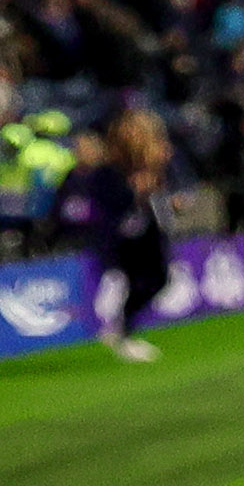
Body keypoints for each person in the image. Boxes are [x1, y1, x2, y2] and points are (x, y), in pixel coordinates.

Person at [74, 108, 177, 362]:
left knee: (157, 279)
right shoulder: (108, 171)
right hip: (119, 239)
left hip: (146, 234)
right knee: (130, 280)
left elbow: (155, 199)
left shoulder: (150, 167)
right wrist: (135, 192)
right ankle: (120, 331)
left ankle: (122, 328)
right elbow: (111, 205)